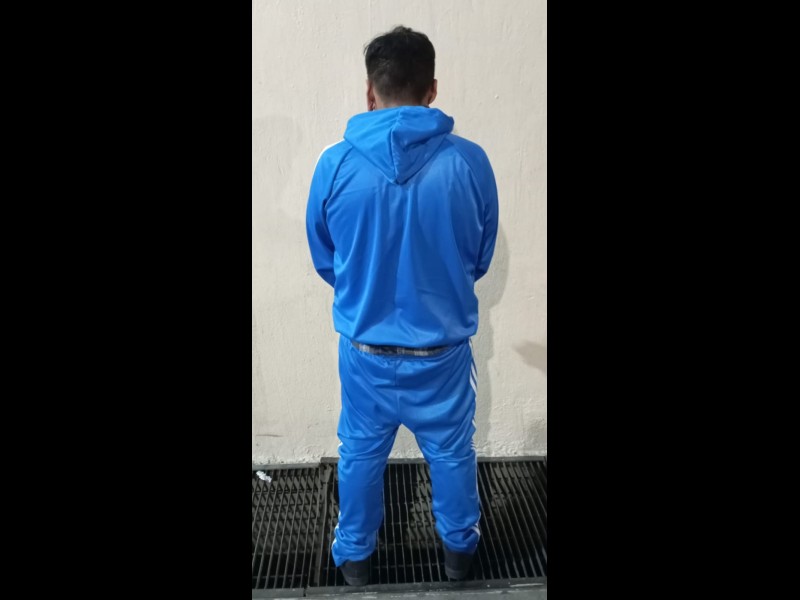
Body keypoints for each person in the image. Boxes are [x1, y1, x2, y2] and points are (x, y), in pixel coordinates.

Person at [305, 25, 499, 585]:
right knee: (452, 453)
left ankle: (355, 563)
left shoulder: (334, 165)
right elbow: (479, 255)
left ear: (370, 91)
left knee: (360, 455)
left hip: (365, 352)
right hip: (441, 353)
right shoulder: (470, 162)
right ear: (432, 90)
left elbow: (326, 259)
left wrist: (366, 294)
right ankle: (459, 557)